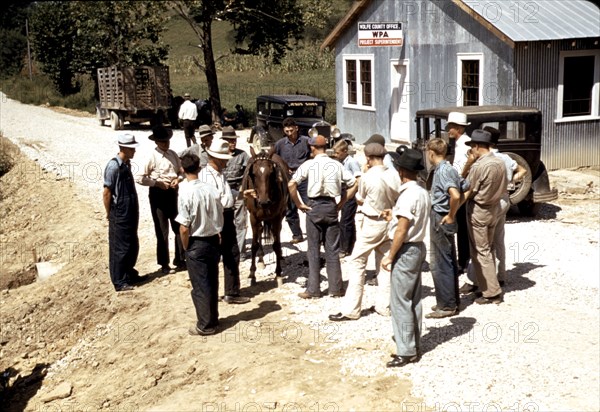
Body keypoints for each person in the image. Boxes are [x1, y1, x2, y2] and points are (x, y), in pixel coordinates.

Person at [328, 142, 401, 321]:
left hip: (372, 221)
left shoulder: (368, 176)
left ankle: (352, 309)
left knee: (357, 261)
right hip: (389, 221)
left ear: (368, 158)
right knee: (385, 264)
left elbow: (360, 198)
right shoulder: (394, 174)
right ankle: (384, 305)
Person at [289, 135, 356, 299]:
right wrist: (342, 203)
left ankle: (314, 289)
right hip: (331, 205)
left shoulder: (309, 164)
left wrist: (298, 204)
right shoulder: (337, 164)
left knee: (313, 249)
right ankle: (336, 288)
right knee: (332, 249)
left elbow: (292, 184)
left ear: (312, 148)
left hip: (314, 206)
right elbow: (354, 183)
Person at [461, 126, 527, 292]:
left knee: (480, 243)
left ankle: (476, 279)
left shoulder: (483, 162)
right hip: (502, 198)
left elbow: (468, 187)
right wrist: (509, 183)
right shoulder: (503, 158)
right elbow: (523, 170)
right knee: (497, 239)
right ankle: (500, 276)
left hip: (485, 202)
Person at [381, 148, 430, 368]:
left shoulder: (407, 194)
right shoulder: (421, 191)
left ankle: (406, 350)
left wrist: (390, 255)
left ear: (402, 172)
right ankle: (414, 342)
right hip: (418, 245)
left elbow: (402, 230)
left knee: (400, 300)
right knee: (414, 298)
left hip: (407, 248)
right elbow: (407, 221)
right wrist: (393, 217)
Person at [176, 154, 223, 336]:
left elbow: (184, 227)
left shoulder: (185, 191)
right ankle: (213, 318)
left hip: (197, 241)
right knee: (212, 281)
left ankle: (205, 325)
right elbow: (219, 213)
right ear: (199, 168)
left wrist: (186, 247)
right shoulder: (211, 189)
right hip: (213, 238)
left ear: (182, 169)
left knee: (200, 285)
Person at [199, 138, 250, 304]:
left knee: (232, 253)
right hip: (217, 219)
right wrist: (216, 227)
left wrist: (243, 195)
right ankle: (216, 295)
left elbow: (226, 196)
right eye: (224, 160)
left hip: (225, 216)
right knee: (217, 257)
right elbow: (211, 203)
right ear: (216, 159)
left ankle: (231, 291)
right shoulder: (206, 176)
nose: (227, 163)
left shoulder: (219, 175)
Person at [461, 129, 508, 305]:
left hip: (479, 209)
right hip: (494, 208)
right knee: (489, 248)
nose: (471, 150)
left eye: (472, 147)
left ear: (477, 146)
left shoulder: (480, 166)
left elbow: (468, 188)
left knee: (481, 252)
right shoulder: (500, 162)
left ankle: (491, 291)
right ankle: (487, 286)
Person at [136, 126, 185, 274]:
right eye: (163, 142)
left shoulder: (173, 155)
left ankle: (180, 259)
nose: (166, 144)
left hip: (172, 192)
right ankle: (164, 263)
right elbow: (139, 178)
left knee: (177, 227)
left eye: (167, 141)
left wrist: (178, 179)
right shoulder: (151, 157)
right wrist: (156, 183)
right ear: (157, 142)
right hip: (158, 194)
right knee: (162, 230)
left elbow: (181, 171)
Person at [424, 138, 462, 319]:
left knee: (440, 262)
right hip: (443, 216)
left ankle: (447, 305)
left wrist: (451, 214)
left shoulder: (443, 172)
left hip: (441, 216)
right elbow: (466, 187)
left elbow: (455, 194)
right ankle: (450, 300)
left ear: (431, 153)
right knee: (449, 259)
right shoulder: (450, 168)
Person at [103, 134, 142, 292]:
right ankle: (119, 281)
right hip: (119, 212)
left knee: (132, 243)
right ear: (124, 148)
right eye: (132, 148)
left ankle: (129, 273)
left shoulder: (127, 164)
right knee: (120, 247)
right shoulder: (113, 166)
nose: (134, 151)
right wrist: (109, 213)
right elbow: (107, 193)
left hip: (131, 209)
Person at [274, 118, 311, 244]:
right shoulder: (279, 144)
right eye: (287, 131)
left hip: (305, 177)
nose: (290, 133)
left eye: (291, 130)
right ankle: (297, 234)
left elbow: (313, 154)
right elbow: (273, 157)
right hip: (288, 179)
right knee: (290, 208)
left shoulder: (306, 141)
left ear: (296, 128)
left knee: (310, 205)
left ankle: (315, 233)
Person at [446, 112, 471, 275]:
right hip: (458, 185)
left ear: (459, 128)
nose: (448, 130)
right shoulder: (458, 143)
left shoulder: (465, 145)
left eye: (451, 127)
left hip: (462, 187)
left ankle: (463, 261)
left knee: (462, 226)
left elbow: (464, 169)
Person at [221, 126, 251, 255]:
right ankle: (224, 250)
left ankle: (240, 251)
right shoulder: (218, 155)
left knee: (241, 221)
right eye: (229, 140)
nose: (233, 143)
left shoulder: (242, 155)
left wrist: (243, 187)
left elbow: (249, 171)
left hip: (238, 190)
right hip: (222, 191)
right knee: (221, 222)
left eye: (234, 140)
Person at [333, 139, 361, 257]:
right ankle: (350, 246)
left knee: (345, 221)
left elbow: (358, 179)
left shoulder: (351, 162)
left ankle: (344, 249)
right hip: (346, 194)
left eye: (337, 153)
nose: (335, 155)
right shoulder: (342, 162)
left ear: (345, 151)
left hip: (351, 195)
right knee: (348, 221)